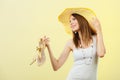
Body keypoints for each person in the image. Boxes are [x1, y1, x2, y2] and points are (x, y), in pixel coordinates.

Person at [41, 8, 106, 80]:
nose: (71, 22)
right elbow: (56, 66)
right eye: (70, 21)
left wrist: (99, 30)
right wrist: (48, 46)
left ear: (82, 20)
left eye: (74, 19)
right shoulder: (71, 43)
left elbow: (101, 53)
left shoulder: (96, 38)